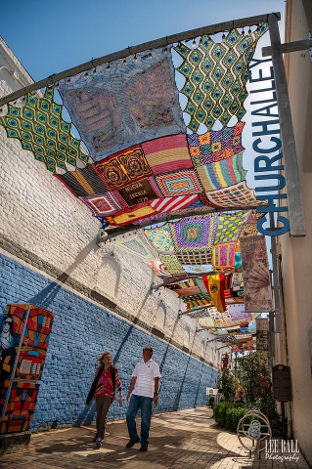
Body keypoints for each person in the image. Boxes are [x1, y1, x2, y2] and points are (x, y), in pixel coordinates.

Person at [126, 345, 160, 452]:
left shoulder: (154, 365)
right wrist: (129, 393)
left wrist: (155, 394)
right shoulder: (138, 365)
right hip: (136, 394)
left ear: (150, 353)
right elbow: (133, 379)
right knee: (129, 416)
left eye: (146, 350)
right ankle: (134, 438)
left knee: (145, 420)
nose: (144, 351)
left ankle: (144, 443)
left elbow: (156, 380)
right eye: (143, 350)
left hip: (147, 396)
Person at [86, 351, 123, 448]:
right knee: (98, 416)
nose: (109, 359)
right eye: (107, 357)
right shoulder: (99, 370)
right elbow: (95, 381)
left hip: (109, 395)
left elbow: (118, 382)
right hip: (99, 394)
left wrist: (120, 397)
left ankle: (100, 437)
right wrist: (92, 393)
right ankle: (97, 434)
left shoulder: (113, 370)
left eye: (110, 357)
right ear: (103, 360)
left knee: (103, 415)